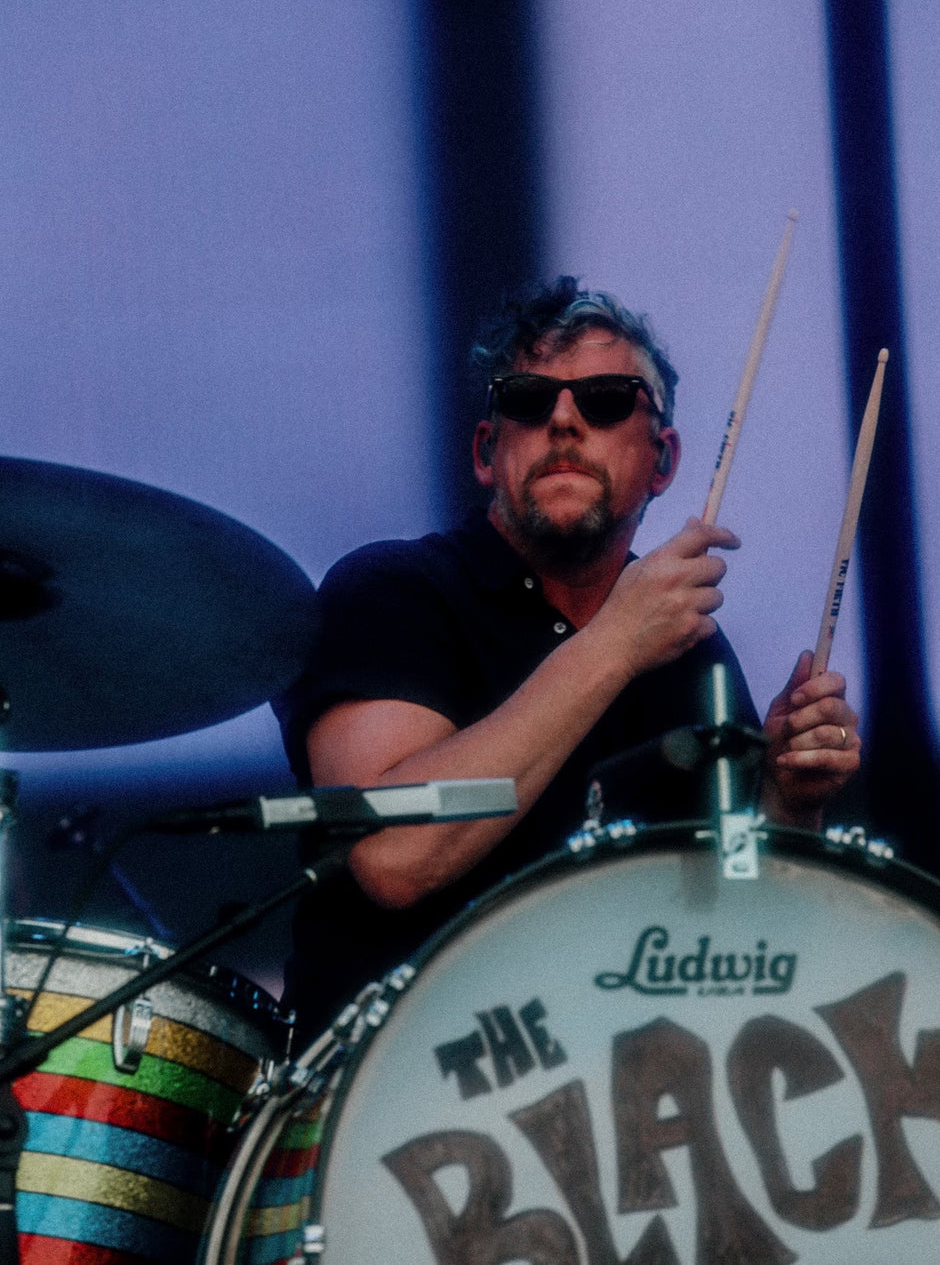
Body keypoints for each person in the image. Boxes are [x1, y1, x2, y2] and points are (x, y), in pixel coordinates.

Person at [275, 277, 860, 1037]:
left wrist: (790, 803)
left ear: (663, 461)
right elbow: (392, 855)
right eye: (526, 398)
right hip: (386, 1100)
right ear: (488, 451)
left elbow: (745, 934)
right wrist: (614, 644)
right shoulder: (391, 590)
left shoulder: (691, 655)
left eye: (607, 400)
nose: (562, 419)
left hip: (614, 1105)